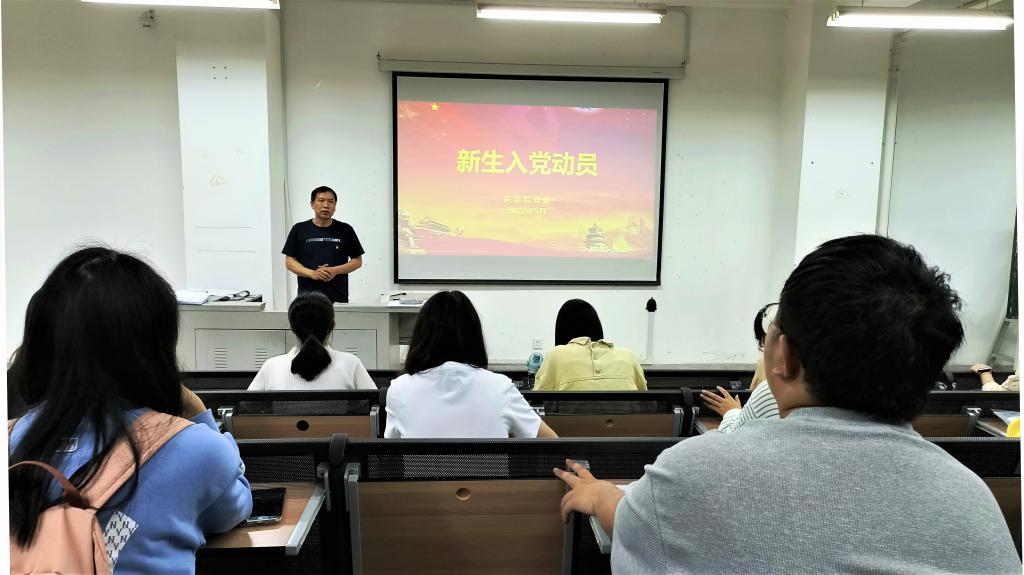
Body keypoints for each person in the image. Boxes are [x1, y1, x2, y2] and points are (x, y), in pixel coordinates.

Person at [554, 235, 1020, 573]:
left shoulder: (694, 472)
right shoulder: (970, 500)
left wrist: (601, 495)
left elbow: (634, 526)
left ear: (783, 356)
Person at [8, 247, 252, 575]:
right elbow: (233, 509)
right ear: (152, 345)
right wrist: (197, 413)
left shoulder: (11, 438)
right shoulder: (193, 447)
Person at [384, 291, 558, 439]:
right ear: (474, 337)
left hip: (422, 472)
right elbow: (554, 444)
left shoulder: (399, 389)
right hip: (489, 472)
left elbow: (390, 451)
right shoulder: (500, 387)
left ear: (422, 336)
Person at [248, 292, 376, 391]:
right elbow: (376, 406)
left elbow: (245, 409)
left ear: (292, 328)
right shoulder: (351, 364)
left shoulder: (271, 367)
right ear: (332, 325)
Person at [534, 299, 647, 391]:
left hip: (571, 414)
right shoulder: (629, 355)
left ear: (561, 330)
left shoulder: (555, 355)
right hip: (624, 414)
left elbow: (539, 397)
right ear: (597, 325)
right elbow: (644, 399)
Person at [283, 185, 364, 303]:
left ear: (335, 206)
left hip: (337, 298)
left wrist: (335, 270)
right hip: (307, 298)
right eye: (321, 200)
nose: (326, 205)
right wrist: (312, 274)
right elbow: (289, 262)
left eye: (330, 201)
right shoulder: (299, 229)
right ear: (312, 204)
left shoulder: (346, 229)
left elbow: (357, 261)